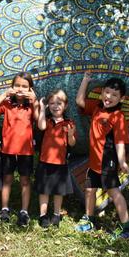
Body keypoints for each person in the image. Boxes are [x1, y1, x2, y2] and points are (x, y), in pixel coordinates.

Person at [74, 72, 129, 239]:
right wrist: (85, 81)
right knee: (89, 190)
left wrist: (122, 162)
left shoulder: (118, 117)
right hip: (94, 161)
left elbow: (120, 142)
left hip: (107, 161)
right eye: (107, 92)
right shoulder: (96, 107)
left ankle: (128, 226)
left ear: (121, 99)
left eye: (114, 95)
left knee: (113, 192)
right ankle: (89, 219)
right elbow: (79, 102)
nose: (109, 97)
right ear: (102, 92)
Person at [0, 72, 39, 226]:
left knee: (25, 180)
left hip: (26, 151)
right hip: (8, 150)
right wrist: (4, 94)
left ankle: (24, 212)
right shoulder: (7, 103)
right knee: (7, 179)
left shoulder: (31, 105)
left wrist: (35, 100)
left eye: (24, 86)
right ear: (12, 87)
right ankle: (4, 209)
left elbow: (38, 118)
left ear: (30, 89)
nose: (20, 89)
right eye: (17, 85)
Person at [35, 89, 76, 228]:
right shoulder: (47, 120)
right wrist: (41, 109)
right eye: (51, 103)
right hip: (45, 161)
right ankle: (43, 215)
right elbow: (41, 126)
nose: (55, 106)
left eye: (59, 103)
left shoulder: (69, 123)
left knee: (59, 191)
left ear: (65, 106)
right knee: (44, 190)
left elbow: (72, 143)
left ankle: (57, 214)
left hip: (61, 163)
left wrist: (70, 135)